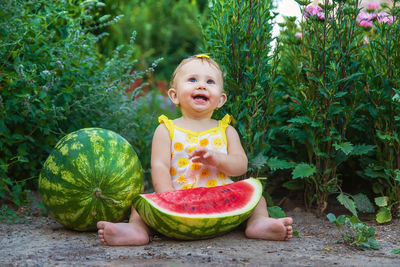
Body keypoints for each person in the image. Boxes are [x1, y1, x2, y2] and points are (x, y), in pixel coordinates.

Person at [97, 54, 293, 245]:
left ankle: (259, 223)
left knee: (257, 199)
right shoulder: (166, 130)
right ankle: (137, 230)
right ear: (174, 95)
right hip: (178, 197)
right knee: (139, 206)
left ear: (221, 100)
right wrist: (169, 201)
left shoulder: (227, 130)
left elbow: (240, 165)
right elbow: (159, 166)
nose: (201, 85)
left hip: (222, 201)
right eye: (192, 79)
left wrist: (218, 159)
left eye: (210, 82)